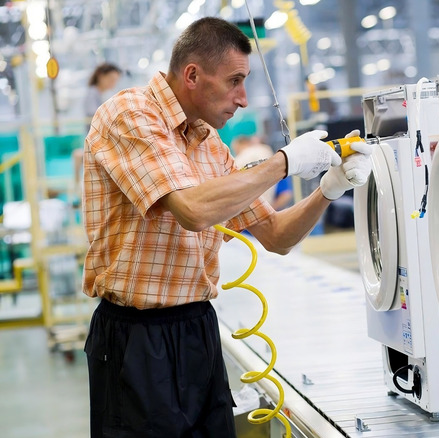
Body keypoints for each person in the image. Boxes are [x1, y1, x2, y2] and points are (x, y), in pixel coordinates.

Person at [81, 17, 372, 437]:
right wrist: (284, 163)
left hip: (197, 330)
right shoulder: (130, 115)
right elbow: (192, 210)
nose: (242, 97)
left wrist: (330, 188)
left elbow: (276, 236)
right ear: (193, 75)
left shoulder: (209, 144)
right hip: (135, 341)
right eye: (235, 80)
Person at [74, 63, 121, 191]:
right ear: (101, 76)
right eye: (111, 79)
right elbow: (94, 115)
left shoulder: (97, 94)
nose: (113, 83)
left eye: (115, 80)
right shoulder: (92, 94)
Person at [231, 135, 294, 210]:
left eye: (237, 151)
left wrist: (271, 210)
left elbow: (286, 194)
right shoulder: (267, 157)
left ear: (245, 144)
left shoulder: (250, 155)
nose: (237, 153)